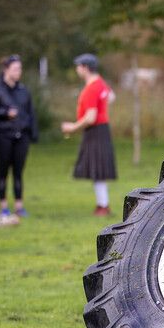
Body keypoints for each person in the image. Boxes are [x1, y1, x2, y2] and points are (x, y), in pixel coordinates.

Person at [61, 53, 117, 216]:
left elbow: (90, 117)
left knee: (97, 170)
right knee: (98, 170)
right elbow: (111, 97)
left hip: (95, 130)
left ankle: (103, 206)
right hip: (102, 129)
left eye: (78, 66)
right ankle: (102, 205)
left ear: (85, 68)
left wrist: (72, 128)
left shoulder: (92, 88)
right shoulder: (100, 83)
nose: (77, 69)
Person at [0, 55, 37, 217]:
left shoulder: (23, 91)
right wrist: (5, 113)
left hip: (21, 137)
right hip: (2, 136)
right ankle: (4, 206)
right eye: (15, 69)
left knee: (18, 172)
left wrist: (32, 133)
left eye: (20, 69)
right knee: (3, 172)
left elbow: (30, 113)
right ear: (6, 70)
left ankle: (19, 206)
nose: (18, 72)